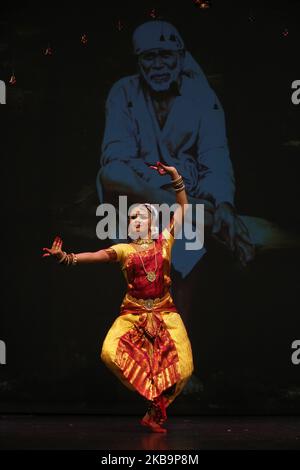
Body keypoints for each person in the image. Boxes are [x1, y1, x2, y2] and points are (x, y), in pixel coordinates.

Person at [96, 20, 255, 331]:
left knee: (183, 242)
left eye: (167, 56)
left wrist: (223, 204)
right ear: (138, 61)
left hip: (184, 197)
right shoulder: (123, 92)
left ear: (181, 58)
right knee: (113, 174)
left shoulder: (202, 97)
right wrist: (182, 203)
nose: (159, 65)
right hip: (137, 198)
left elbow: (215, 156)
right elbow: (116, 162)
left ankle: (174, 351)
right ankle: (202, 219)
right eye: (149, 57)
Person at [42, 162, 196, 433]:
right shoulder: (124, 250)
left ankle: (155, 407)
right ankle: (152, 399)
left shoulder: (165, 241)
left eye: (140, 217)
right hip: (133, 314)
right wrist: (67, 258)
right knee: (109, 353)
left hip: (165, 313)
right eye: (132, 218)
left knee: (185, 368)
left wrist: (175, 177)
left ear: (152, 222)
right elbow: (97, 255)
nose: (135, 221)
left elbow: (184, 208)